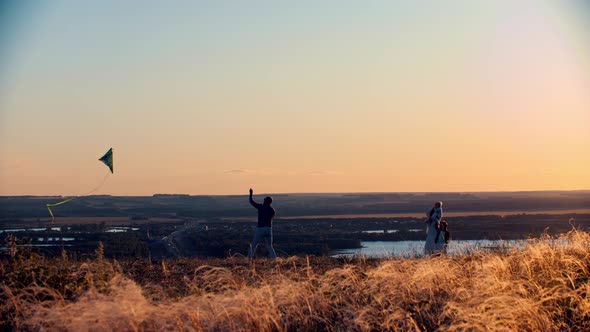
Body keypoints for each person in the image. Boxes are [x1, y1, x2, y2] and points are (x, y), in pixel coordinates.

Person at [247, 188, 277, 259]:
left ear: (265, 201)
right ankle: (274, 259)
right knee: (269, 246)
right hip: (269, 229)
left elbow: (251, 202)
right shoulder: (272, 210)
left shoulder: (261, 207)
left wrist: (251, 194)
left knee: (254, 244)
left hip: (260, 228)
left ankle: (249, 258)